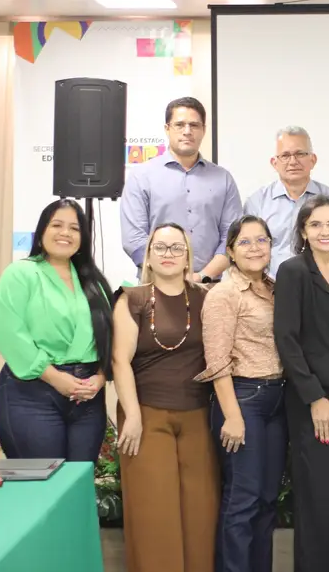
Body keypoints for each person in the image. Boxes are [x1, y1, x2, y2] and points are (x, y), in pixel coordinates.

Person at [111, 223, 219, 572]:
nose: (169, 254)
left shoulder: (205, 298)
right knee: (154, 515)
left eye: (176, 248)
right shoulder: (133, 299)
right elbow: (119, 361)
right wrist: (134, 416)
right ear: (149, 256)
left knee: (200, 514)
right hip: (146, 415)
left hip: (197, 415)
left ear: (188, 255)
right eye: (161, 247)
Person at [195, 215, 286, 572]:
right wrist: (231, 415)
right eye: (244, 242)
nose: (254, 248)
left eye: (261, 240)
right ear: (230, 251)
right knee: (243, 499)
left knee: (266, 500)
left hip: (277, 399)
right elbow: (216, 361)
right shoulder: (223, 294)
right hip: (243, 398)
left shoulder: (276, 287)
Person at [273, 195, 329, 572]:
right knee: (318, 491)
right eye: (317, 225)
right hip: (315, 393)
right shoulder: (293, 271)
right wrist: (315, 398)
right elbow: (286, 340)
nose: (326, 231)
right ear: (304, 231)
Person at [0, 199, 112, 462]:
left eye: (74, 228)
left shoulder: (93, 280)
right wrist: (56, 378)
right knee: (42, 485)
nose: (65, 233)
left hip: (88, 398)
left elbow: (110, 336)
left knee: (78, 483)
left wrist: (101, 378)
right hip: (32, 393)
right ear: (42, 230)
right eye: (57, 225)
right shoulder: (21, 274)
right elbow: (10, 334)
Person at [120, 96, 243, 283]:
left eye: (194, 125)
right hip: (155, 285)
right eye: (180, 125)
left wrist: (202, 276)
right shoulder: (141, 177)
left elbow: (231, 237)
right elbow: (134, 238)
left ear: (203, 130)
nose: (187, 131)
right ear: (167, 129)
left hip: (208, 288)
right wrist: (168, 276)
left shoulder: (223, 179)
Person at [244, 126, 329, 278]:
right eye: (285, 155)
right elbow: (248, 252)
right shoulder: (257, 202)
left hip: (321, 287)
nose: (293, 161)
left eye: (300, 154)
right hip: (269, 289)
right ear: (274, 163)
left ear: (313, 160)